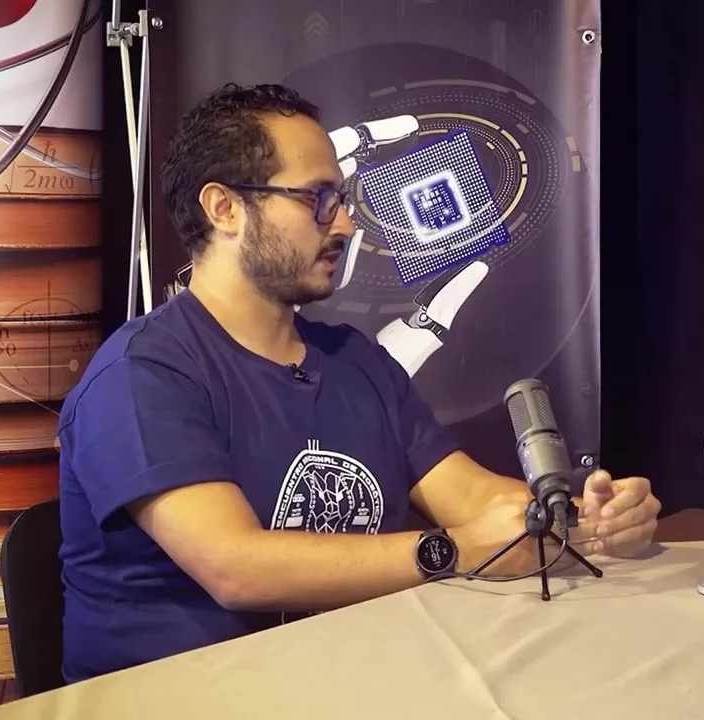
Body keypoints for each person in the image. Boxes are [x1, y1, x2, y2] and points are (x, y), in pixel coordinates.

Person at [56, 83, 661, 683]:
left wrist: (593, 520)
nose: (346, 224)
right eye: (318, 198)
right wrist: (452, 551)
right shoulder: (141, 374)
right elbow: (235, 568)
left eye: (342, 199)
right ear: (225, 208)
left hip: (349, 682)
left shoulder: (356, 362)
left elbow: (478, 501)